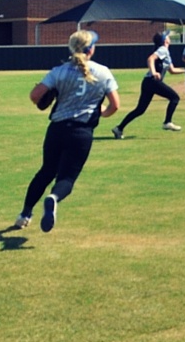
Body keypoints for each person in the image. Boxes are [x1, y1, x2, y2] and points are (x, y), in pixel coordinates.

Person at [15, 30, 121, 233]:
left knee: (46, 171)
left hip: (57, 130)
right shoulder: (103, 72)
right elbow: (115, 105)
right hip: (82, 133)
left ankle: (25, 214)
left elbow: (35, 96)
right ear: (91, 49)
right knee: (66, 178)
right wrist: (102, 113)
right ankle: (54, 198)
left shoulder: (59, 71)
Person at [112, 32, 183, 137]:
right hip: (152, 81)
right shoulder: (163, 49)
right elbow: (150, 59)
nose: (169, 37)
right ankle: (167, 122)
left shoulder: (165, 52)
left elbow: (172, 70)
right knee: (175, 98)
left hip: (148, 82)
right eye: (167, 36)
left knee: (140, 110)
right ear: (164, 40)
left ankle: (119, 128)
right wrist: (154, 72)